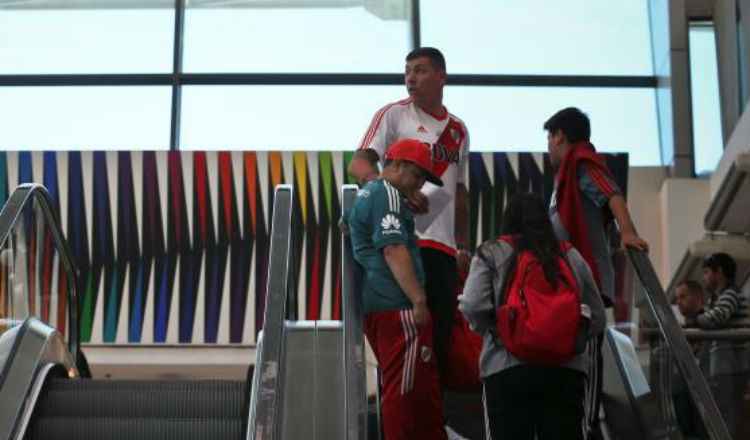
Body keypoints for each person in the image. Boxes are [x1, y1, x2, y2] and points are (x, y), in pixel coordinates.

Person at [356, 47, 470, 381]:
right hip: (403, 244)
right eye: (407, 72)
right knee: (405, 347)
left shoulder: (460, 130)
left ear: (441, 76)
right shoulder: (393, 115)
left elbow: (460, 190)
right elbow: (359, 164)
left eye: (419, 71)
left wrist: (463, 245)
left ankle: (435, 424)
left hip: (445, 252)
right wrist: (393, 193)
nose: (410, 79)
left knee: (439, 349)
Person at [459, 192, 605, 440]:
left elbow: (473, 305)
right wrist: (563, 337)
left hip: (505, 369)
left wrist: (501, 330)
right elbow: (598, 316)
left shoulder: (492, 251)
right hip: (564, 371)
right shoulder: (569, 255)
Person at [544, 107, 648, 439]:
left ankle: (585, 428)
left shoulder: (582, 164)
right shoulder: (566, 175)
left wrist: (628, 231)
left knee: (586, 368)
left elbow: (611, 192)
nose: (548, 147)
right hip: (569, 287)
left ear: (560, 135)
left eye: (549, 138)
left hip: (587, 286)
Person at [346, 138, 447, 440]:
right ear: (398, 165)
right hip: (397, 306)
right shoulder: (387, 194)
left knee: (416, 389)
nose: (419, 186)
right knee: (401, 392)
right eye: (417, 176)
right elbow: (392, 249)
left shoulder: (368, 194)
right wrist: (418, 300)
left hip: (381, 307)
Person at [685, 253, 750, 439]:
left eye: (706, 272)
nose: (703, 278)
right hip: (725, 366)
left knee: (727, 416)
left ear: (719, 272)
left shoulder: (731, 294)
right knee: (723, 414)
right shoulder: (721, 296)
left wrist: (694, 321)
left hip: (732, 366)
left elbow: (716, 318)